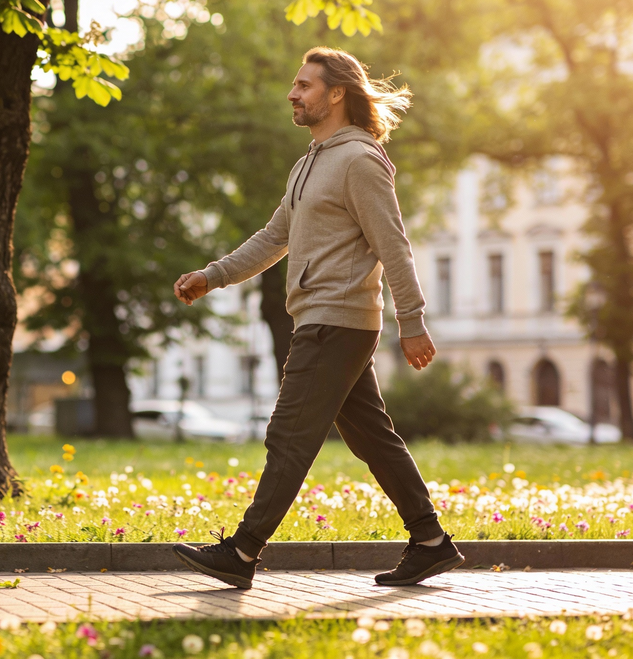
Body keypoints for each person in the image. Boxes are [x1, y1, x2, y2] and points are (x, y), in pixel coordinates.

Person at [170, 47, 463, 589]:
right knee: (372, 437)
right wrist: (213, 275)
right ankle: (430, 541)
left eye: (304, 85)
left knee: (289, 435)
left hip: (338, 320)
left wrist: (413, 320)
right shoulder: (308, 164)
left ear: (336, 94)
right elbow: (274, 237)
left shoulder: (360, 160)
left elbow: (393, 246)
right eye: (295, 84)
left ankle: (242, 551)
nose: (292, 93)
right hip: (323, 318)